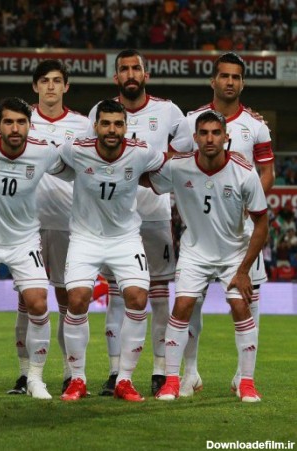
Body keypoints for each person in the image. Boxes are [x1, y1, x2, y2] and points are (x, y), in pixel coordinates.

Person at [169, 52, 274, 396]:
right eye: (224, 76)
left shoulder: (256, 125)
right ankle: (190, 373)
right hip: (202, 228)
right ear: (213, 80)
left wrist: (249, 205)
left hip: (242, 229)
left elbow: (267, 172)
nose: (230, 82)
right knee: (190, 303)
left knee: (247, 299)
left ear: (242, 83)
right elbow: (175, 164)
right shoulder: (191, 121)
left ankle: (243, 376)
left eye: (236, 77)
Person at [152, 111, 267, 402]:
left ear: (226, 137)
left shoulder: (244, 171)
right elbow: (144, 178)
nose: (210, 138)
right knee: (182, 307)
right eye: (203, 133)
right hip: (195, 251)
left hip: (234, 253)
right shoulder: (178, 166)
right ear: (195, 138)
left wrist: (244, 270)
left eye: (216, 133)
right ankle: (172, 381)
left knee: (241, 308)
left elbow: (262, 224)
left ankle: (246, 382)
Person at [0, 97, 67, 400]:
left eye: (21, 122)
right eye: (8, 122)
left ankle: (35, 379)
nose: (15, 128)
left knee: (38, 303)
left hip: (24, 241)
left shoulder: (44, 151)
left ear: (30, 125)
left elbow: (75, 167)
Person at [88, 49, 185, 396]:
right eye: (124, 69)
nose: (130, 74)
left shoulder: (169, 111)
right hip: (114, 218)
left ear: (146, 75)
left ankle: (159, 370)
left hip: (155, 213)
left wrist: (153, 173)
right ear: (116, 77)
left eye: (136, 68)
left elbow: (185, 151)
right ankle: (116, 372)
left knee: (158, 296)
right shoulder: (100, 111)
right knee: (117, 296)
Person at [59, 100, 166, 403]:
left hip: (125, 238)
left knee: (138, 298)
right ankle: (77, 379)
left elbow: (169, 163)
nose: (112, 130)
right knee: (77, 300)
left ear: (125, 127)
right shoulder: (75, 149)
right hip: (85, 237)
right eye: (106, 123)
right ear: (95, 126)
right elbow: (48, 159)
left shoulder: (141, 151)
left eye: (118, 124)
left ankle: (125, 379)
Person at [8, 59, 92, 396]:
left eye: (57, 80)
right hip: (24, 223)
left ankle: (70, 373)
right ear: (35, 86)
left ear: (66, 86)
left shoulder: (83, 125)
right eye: (44, 81)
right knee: (27, 301)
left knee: (66, 299)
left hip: (67, 223)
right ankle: (24, 374)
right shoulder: (20, 119)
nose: (51, 86)